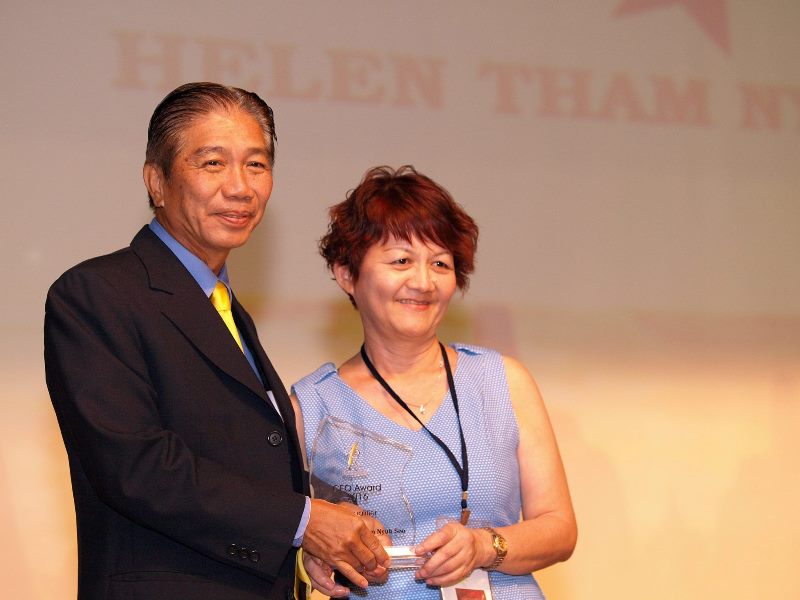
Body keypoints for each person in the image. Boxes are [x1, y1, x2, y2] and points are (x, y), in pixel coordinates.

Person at [44, 82, 388, 600]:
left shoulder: (224, 307)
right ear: (156, 181)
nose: (241, 187)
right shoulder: (97, 293)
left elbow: (244, 462)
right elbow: (136, 467)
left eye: (256, 164)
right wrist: (303, 520)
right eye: (212, 163)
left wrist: (303, 545)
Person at [291, 165, 577, 599]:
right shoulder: (312, 406)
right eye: (401, 261)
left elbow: (559, 528)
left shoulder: (502, 382)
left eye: (440, 263)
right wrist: (311, 556)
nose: (423, 282)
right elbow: (286, 527)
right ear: (347, 273)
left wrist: (485, 546)